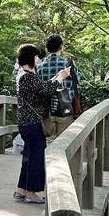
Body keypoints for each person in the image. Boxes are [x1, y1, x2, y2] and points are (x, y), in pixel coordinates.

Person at [14, 43, 71, 204]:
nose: (38, 59)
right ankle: (31, 193)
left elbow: (42, 88)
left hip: (25, 122)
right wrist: (61, 77)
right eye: (36, 56)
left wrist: (57, 77)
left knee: (28, 156)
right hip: (33, 122)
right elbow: (45, 90)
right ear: (30, 58)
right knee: (36, 158)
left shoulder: (23, 74)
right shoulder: (28, 77)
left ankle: (21, 189)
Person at [37, 34, 76, 139]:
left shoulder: (40, 66)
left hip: (47, 109)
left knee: (49, 142)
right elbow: (76, 81)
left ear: (47, 49)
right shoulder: (67, 64)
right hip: (65, 108)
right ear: (61, 47)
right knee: (64, 142)